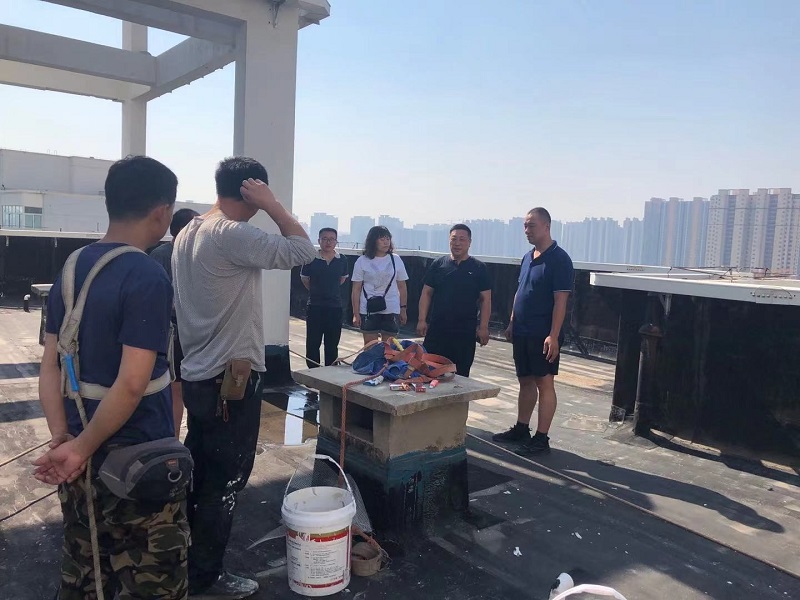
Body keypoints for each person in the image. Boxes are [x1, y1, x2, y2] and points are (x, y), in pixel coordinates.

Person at [34, 156, 188, 599]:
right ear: (162, 212)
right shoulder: (146, 275)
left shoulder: (71, 267)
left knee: (86, 572)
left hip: (78, 460)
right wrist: (80, 448)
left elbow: (51, 366)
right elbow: (133, 383)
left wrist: (65, 440)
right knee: (151, 581)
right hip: (137, 464)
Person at [172, 157, 316, 599]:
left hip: (198, 375)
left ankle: (184, 560)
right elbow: (303, 251)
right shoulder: (231, 233)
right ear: (251, 189)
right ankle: (205, 576)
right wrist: (274, 206)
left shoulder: (190, 230)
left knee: (201, 472)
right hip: (230, 383)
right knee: (225, 482)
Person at [492, 207, 574, 456]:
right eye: (525, 226)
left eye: (532, 225)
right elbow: (521, 291)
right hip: (522, 330)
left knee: (544, 382)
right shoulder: (528, 257)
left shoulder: (560, 259)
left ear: (546, 227)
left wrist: (553, 335)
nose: (527, 230)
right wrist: (512, 321)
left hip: (542, 332)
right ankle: (522, 427)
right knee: (525, 380)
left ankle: (541, 437)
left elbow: (561, 301)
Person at [149, 208, 200, 437]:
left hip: (196, 334)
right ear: (181, 230)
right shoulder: (161, 256)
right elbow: (158, 298)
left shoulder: (198, 255)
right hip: (173, 335)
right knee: (175, 389)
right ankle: (172, 440)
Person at [416, 224, 492, 377]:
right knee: (429, 372)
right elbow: (426, 293)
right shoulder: (438, 264)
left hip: (464, 331)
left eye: (462, 239)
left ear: (469, 242)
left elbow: (486, 299)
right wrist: (421, 320)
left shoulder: (479, 268)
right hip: (437, 329)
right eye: (454, 239)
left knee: (460, 375)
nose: (457, 243)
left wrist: (483, 327)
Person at [350, 225, 409, 344]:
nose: (386, 242)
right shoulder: (362, 261)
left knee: (390, 347)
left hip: (391, 308)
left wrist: (403, 309)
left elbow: (402, 286)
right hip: (368, 308)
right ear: (373, 241)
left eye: (388, 238)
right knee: (370, 346)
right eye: (382, 239)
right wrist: (356, 313)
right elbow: (356, 289)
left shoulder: (396, 259)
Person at [300, 227, 349, 368]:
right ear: (319, 240)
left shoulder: (342, 260)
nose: (328, 242)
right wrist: (317, 290)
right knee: (313, 342)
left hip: (335, 307)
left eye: (332, 239)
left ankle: (330, 371)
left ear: (336, 242)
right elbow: (305, 279)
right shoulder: (310, 258)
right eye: (325, 239)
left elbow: (342, 279)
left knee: (332, 343)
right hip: (315, 306)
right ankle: (313, 371)